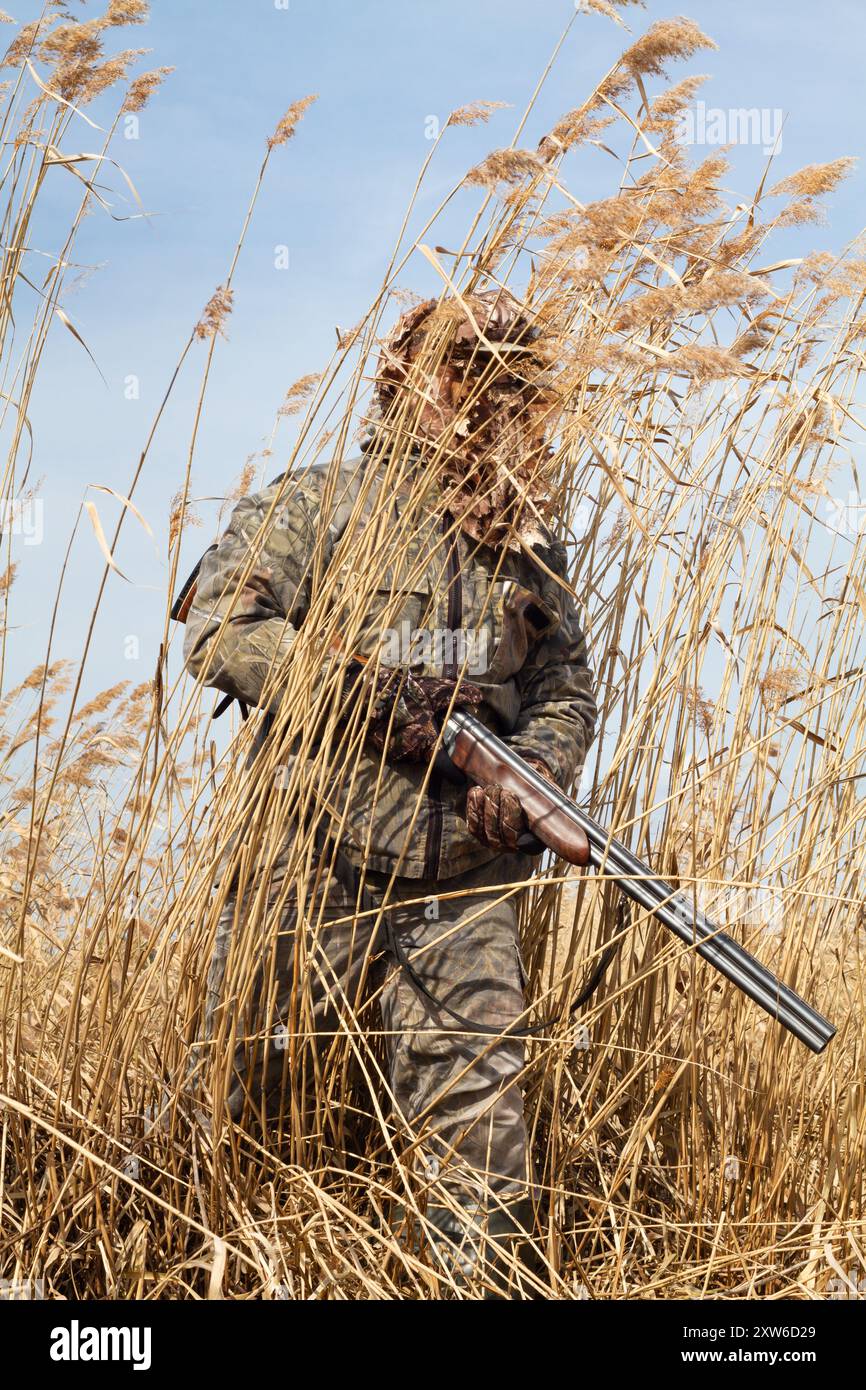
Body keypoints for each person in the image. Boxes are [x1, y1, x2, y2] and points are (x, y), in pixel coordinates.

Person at [180, 289, 597, 1295]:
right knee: (234, 1119)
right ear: (405, 374)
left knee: (483, 1170)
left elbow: (563, 693)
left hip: (460, 885)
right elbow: (217, 625)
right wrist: (361, 694)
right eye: (459, 367)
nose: (477, 393)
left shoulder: (526, 553)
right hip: (305, 865)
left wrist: (530, 777)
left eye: (502, 377)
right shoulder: (318, 504)